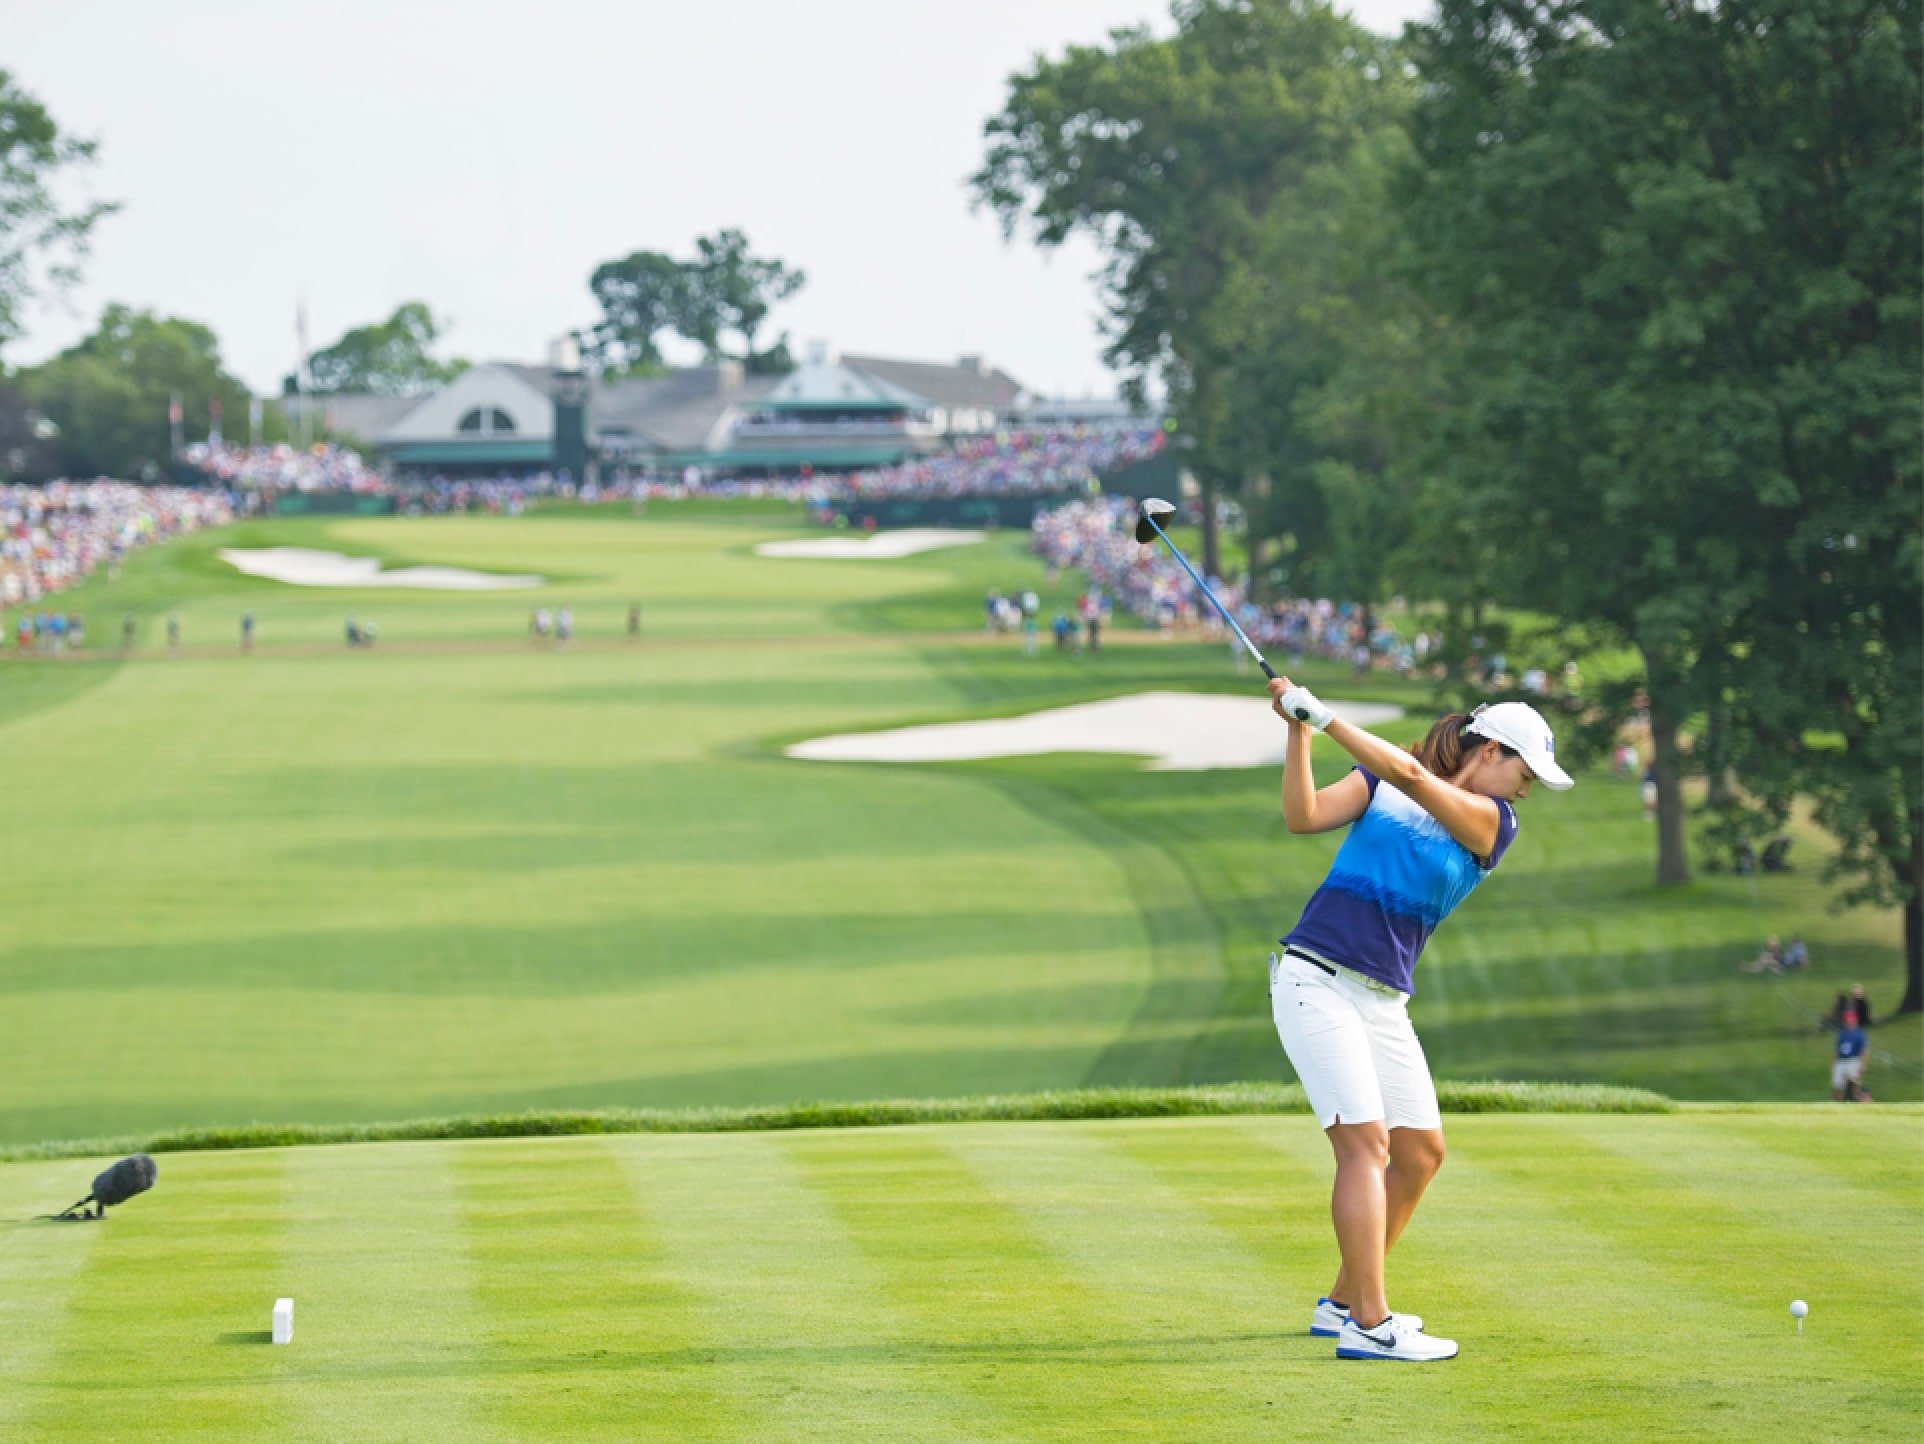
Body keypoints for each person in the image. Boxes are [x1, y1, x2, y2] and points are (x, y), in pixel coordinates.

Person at [1267, 684, 1573, 1362]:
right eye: (1524, 774)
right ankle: (1370, 1324)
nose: (1525, 791)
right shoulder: (1382, 775)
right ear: (1491, 750)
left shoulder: (1495, 822)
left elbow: (1411, 773)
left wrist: (1326, 716)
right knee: (1366, 1149)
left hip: (1381, 1000)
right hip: (1316, 979)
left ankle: (1344, 1302)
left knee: (1420, 1153)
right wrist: (1300, 732)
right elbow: (1304, 814)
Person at [1831, 1011, 1870, 1102]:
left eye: (1851, 1021)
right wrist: (1834, 1063)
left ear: (1855, 1021)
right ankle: (1837, 1103)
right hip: (1842, 1061)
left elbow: (1864, 1051)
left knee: (1853, 1082)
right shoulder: (1842, 1034)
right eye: (1847, 1021)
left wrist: (1862, 1064)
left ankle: (1855, 1101)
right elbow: (1837, 1050)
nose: (1849, 1023)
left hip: (1854, 1060)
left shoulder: (1860, 1034)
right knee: (1837, 1085)